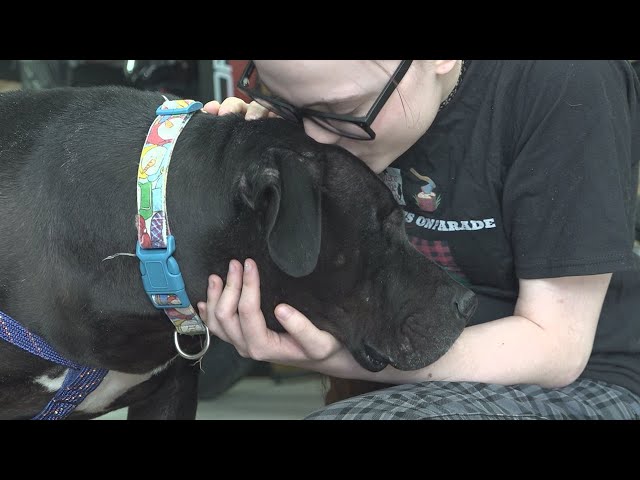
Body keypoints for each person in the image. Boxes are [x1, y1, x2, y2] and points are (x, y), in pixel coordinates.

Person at [196, 60, 640, 420]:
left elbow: (554, 350)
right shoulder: (333, 116)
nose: (315, 138)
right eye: (290, 105)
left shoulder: (565, 80)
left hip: (591, 381)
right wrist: (232, 162)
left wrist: (329, 358)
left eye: (344, 110)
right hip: (399, 370)